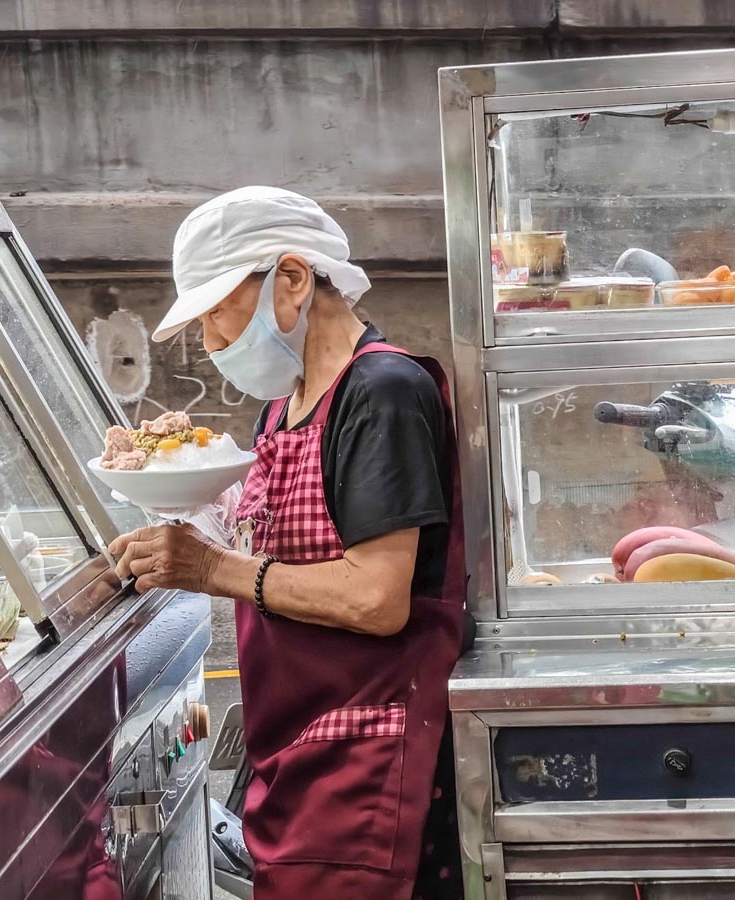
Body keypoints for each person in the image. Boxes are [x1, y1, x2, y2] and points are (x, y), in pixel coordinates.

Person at [108, 186, 466, 899]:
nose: (211, 343)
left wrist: (211, 568)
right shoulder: (287, 402)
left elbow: (375, 598)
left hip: (370, 758)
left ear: (294, 279)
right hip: (302, 751)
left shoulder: (382, 393)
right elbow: (261, 527)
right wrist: (174, 481)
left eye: (217, 313)